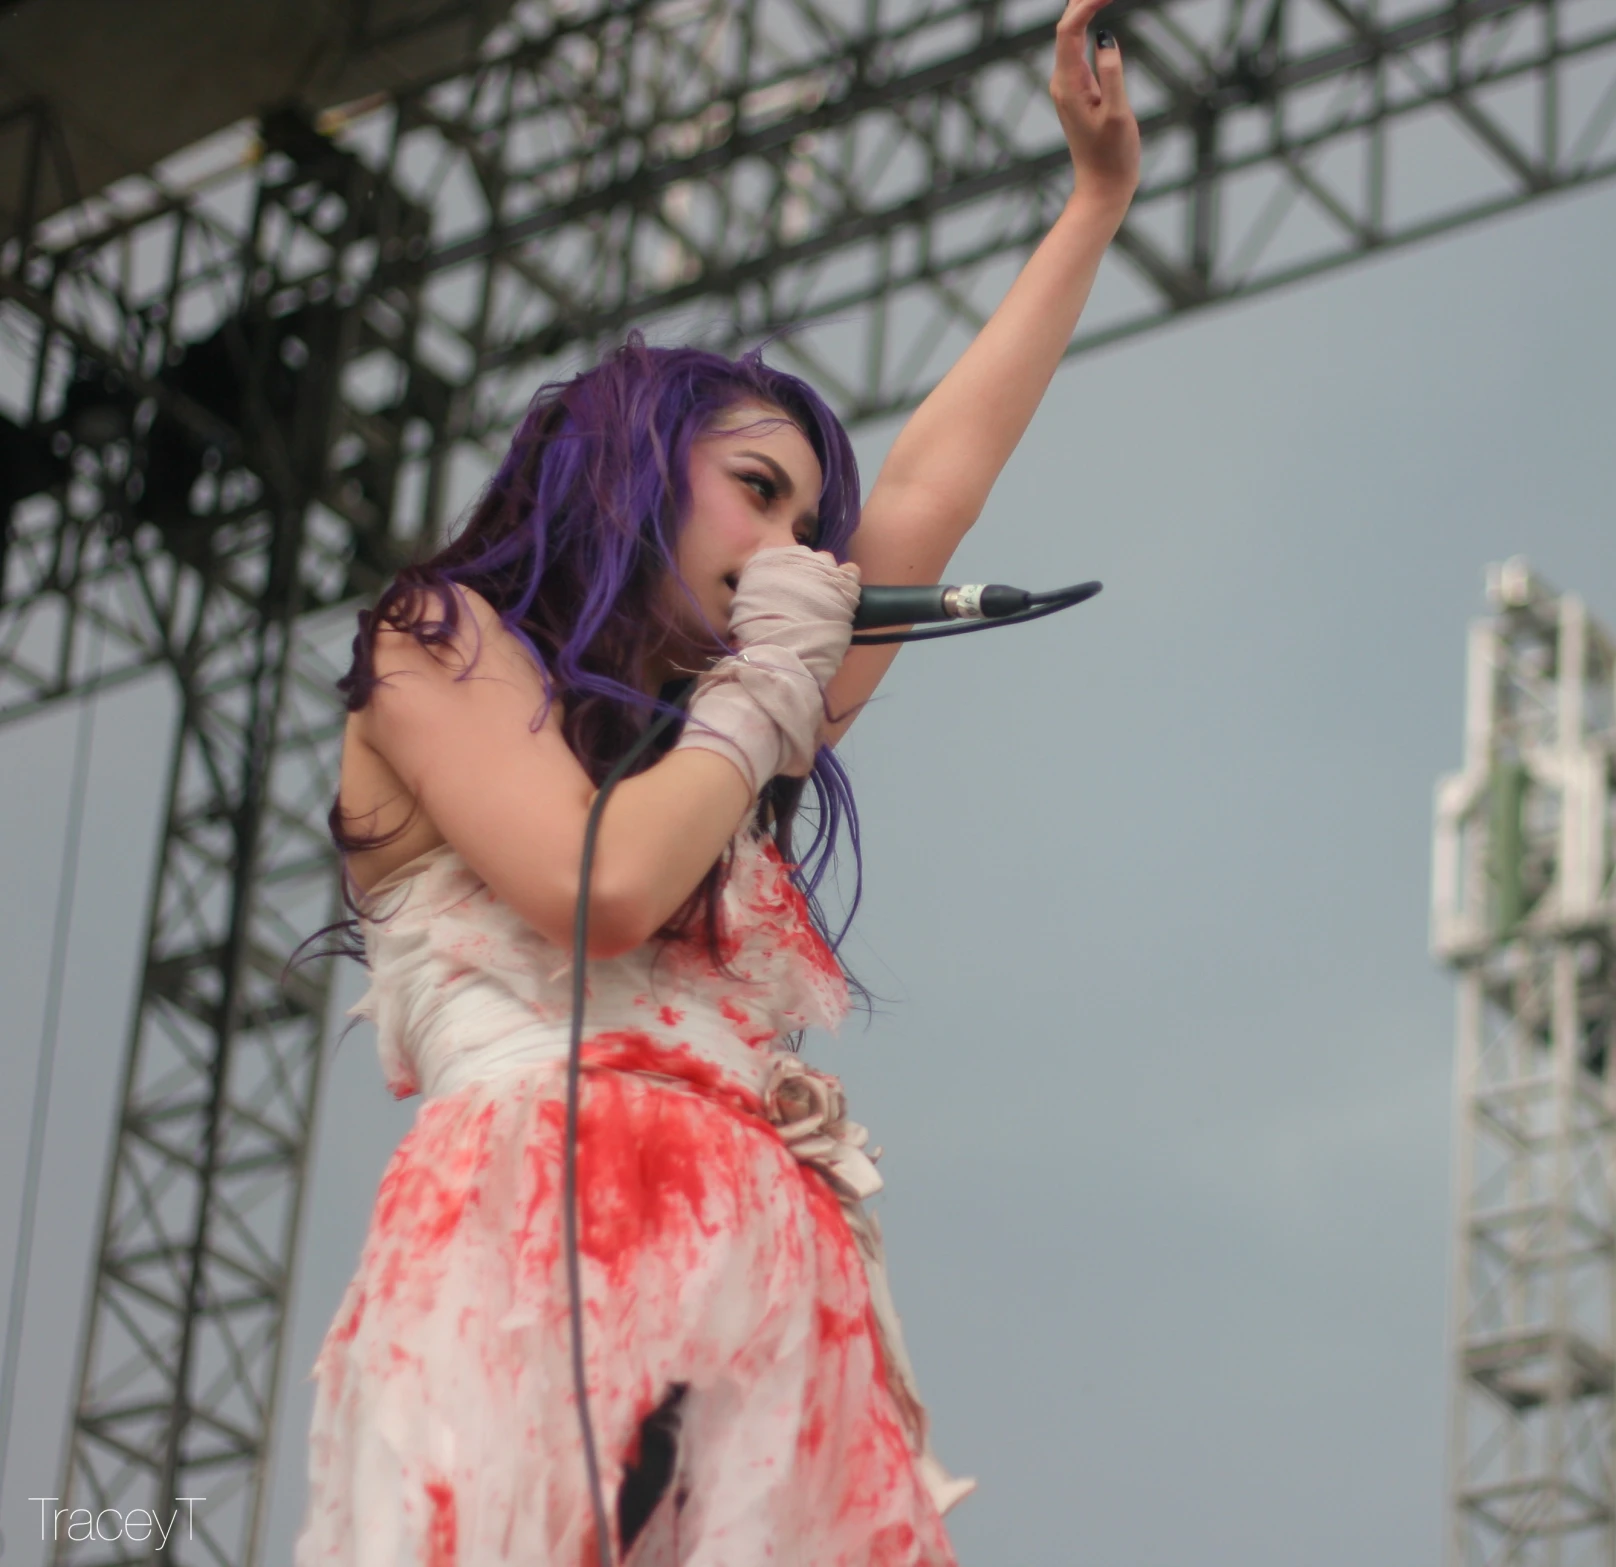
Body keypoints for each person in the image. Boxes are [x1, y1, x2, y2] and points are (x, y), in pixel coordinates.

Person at [290, 1, 1138, 1559]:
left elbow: (933, 484)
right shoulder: (439, 644)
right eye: (755, 492)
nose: (796, 555)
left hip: (760, 1295)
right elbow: (601, 885)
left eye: (810, 530)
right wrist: (762, 692)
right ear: (628, 467)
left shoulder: (714, 741)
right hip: (529, 1252)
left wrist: (1092, 208)